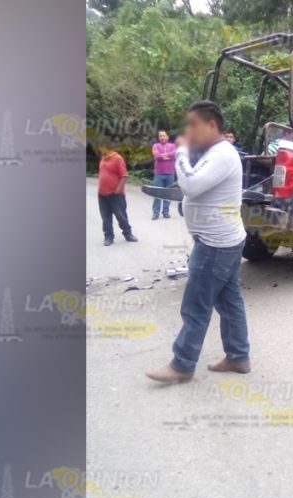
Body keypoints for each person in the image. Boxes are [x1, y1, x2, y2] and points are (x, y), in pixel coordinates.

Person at [145, 101, 250, 383]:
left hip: (215, 245)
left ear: (212, 125)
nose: (188, 131)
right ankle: (239, 356)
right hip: (224, 241)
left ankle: (182, 364)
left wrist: (179, 151)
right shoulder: (215, 153)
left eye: (194, 125)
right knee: (230, 303)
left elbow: (190, 184)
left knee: (195, 306)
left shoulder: (222, 154)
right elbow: (198, 188)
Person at [97, 147, 137, 246]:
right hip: (102, 194)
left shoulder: (117, 158)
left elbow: (124, 176)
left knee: (121, 216)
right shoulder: (103, 158)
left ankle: (128, 234)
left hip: (116, 194)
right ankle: (108, 236)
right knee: (105, 217)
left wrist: (118, 190)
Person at [151, 130, 175, 220]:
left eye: (164, 135)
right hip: (159, 173)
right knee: (157, 193)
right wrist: (163, 156)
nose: (162, 137)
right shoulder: (155, 146)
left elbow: (174, 154)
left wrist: (163, 155)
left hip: (170, 173)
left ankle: (166, 212)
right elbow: (156, 156)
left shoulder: (173, 146)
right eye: (160, 136)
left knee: (168, 194)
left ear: (167, 137)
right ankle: (155, 213)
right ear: (158, 137)